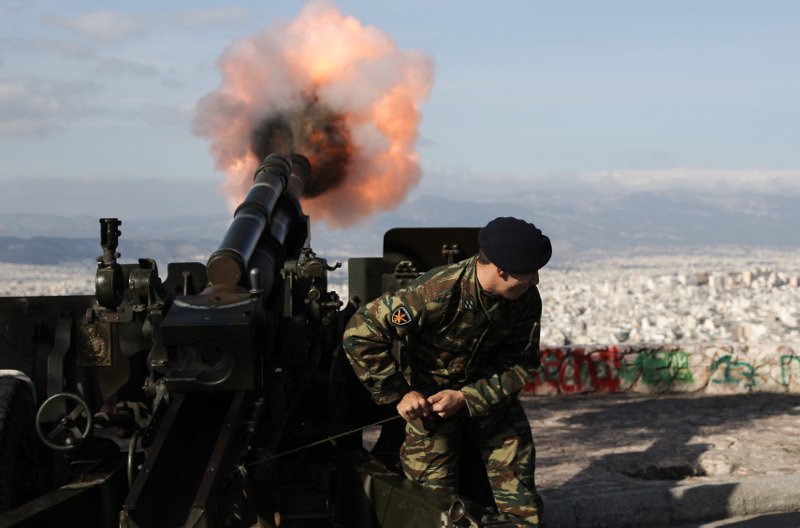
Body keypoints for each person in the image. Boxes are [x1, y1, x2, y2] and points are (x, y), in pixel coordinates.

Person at [343, 216, 551, 527]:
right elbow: (360, 333)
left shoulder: (524, 299)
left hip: (489, 399)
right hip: (431, 404)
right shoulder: (435, 292)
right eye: (528, 273)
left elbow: (522, 362)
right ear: (500, 270)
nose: (535, 280)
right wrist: (400, 393)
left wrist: (467, 397)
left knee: (522, 502)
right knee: (429, 506)